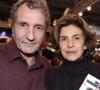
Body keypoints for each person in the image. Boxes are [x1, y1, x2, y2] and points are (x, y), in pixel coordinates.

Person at [0, 0, 50, 90]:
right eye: (23, 25)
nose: (31, 36)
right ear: (12, 27)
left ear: (44, 32)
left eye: (38, 28)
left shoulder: (46, 67)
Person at [45, 14, 100, 90]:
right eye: (64, 39)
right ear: (58, 45)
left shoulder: (98, 72)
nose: (70, 44)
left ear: (85, 44)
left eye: (76, 38)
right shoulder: (51, 75)